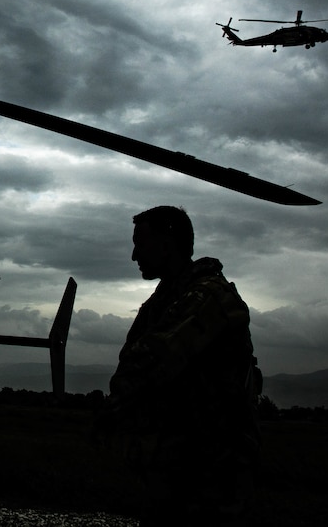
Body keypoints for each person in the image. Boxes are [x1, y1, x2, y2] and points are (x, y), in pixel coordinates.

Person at [96, 206, 262, 526]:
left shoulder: (208, 296)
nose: (133, 255)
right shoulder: (167, 299)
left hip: (214, 474)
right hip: (180, 470)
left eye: (140, 244)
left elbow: (150, 362)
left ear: (166, 244)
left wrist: (116, 409)